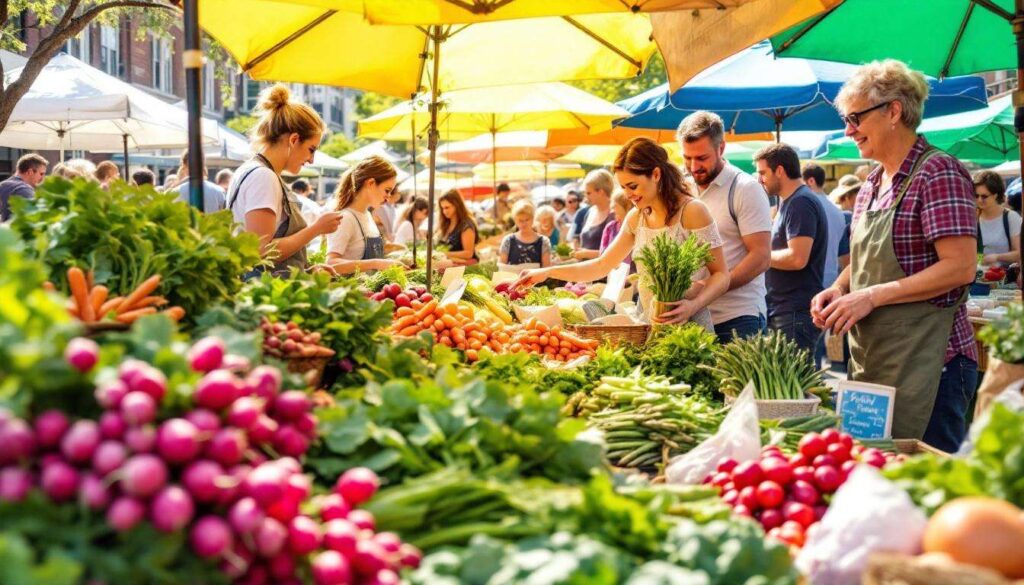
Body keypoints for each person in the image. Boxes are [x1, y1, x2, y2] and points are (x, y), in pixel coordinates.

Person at [812, 60, 978, 452]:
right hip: (874, 360)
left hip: (932, 364)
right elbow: (863, 262)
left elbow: (960, 267)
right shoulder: (871, 183)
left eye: (855, 118)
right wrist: (839, 289)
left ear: (893, 111)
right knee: (875, 468)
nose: (848, 130)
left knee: (926, 478)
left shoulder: (938, 173)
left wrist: (871, 296)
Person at [512, 138, 730, 328]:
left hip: (689, 326)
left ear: (656, 174)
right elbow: (601, 265)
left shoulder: (692, 211)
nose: (628, 195)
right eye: (624, 188)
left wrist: (692, 305)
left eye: (632, 186)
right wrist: (547, 272)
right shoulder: (636, 217)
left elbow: (721, 275)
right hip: (649, 325)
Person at [226, 84, 342, 276]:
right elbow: (261, 251)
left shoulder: (252, 170)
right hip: (264, 290)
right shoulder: (264, 176)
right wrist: (316, 229)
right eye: (311, 149)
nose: (311, 160)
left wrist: (306, 271)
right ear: (294, 140)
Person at [677, 110, 773, 344]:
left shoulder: (745, 188)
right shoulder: (684, 188)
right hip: (692, 317)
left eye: (702, 158)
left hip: (737, 318)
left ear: (721, 148)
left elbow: (761, 257)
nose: (693, 166)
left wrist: (707, 288)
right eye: (687, 158)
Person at [755, 144, 828, 355]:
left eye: (763, 173)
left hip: (794, 313)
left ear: (779, 170)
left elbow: (797, 258)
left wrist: (761, 257)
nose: (760, 179)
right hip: (785, 311)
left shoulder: (800, 202)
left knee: (794, 377)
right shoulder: (790, 201)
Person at [326, 155, 404, 274]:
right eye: (387, 190)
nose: (388, 197)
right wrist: (375, 263)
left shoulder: (367, 215)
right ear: (371, 183)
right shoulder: (346, 218)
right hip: (351, 286)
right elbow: (331, 264)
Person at [803, 163, 850, 286]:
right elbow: (844, 256)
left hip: (807, 284)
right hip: (830, 282)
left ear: (811, 181)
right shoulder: (839, 213)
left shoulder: (804, 206)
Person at [974, 170, 1021, 267]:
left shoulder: (1011, 217)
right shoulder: (973, 218)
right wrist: (981, 259)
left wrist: (997, 257)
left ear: (996, 195)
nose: (979, 200)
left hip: (1005, 274)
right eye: (976, 196)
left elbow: (1019, 253)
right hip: (980, 273)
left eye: (984, 196)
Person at [573, 169, 614, 260]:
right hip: (585, 266)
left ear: (601, 192)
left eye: (588, 193)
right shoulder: (589, 211)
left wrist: (587, 253)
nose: (586, 197)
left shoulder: (615, 214)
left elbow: (616, 252)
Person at [499, 200, 551, 268]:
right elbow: (502, 267)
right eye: (520, 220)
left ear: (533, 219)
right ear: (515, 220)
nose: (524, 223)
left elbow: (546, 268)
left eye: (527, 219)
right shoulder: (508, 240)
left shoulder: (544, 241)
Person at [436, 189, 479, 265]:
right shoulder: (446, 223)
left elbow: (469, 253)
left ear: (456, 205)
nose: (444, 211)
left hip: (464, 268)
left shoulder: (466, 225)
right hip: (448, 265)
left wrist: (444, 254)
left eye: (447, 207)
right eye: (442, 208)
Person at [1, 154, 47, 222]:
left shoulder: (2, 185)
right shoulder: (24, 189)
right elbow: (39, 218)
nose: (43, 178)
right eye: (41, 174)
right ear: (30, 172)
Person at [600, 188, 636, 272]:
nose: (612, 211)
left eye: (614, 207)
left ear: (627, 206)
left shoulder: (637, 228)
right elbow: (602, 254)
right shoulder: (610, 228)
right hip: (614, 275)